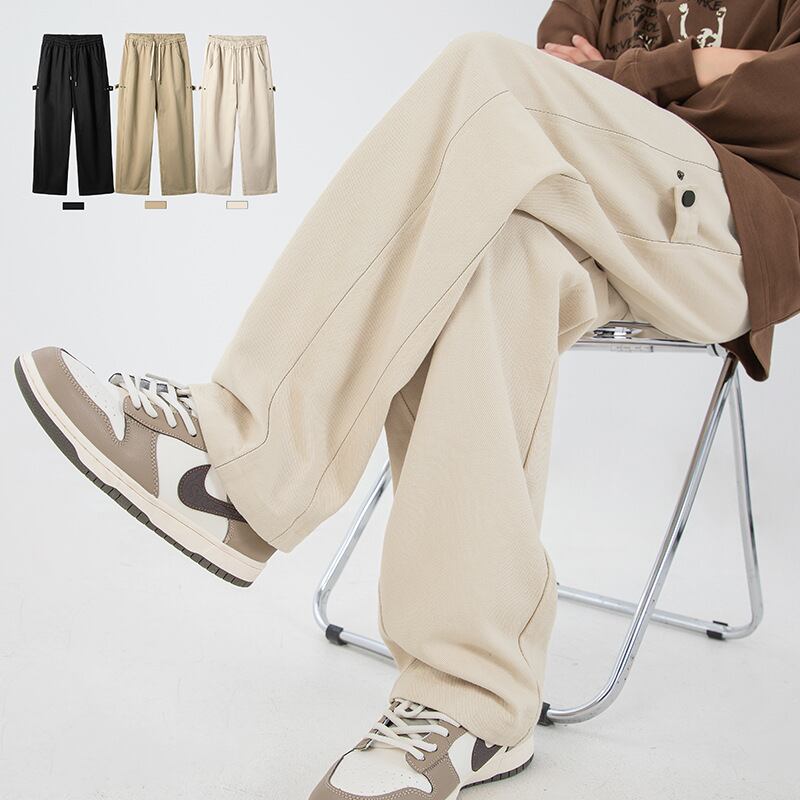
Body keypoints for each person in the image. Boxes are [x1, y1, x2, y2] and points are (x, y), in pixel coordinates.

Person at [15, 2, 800, 798]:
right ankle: (473, 700)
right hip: (602, 209)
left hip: (744, 228)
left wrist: (638, 77)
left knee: (484, 72)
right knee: (497, 248)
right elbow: (556, 61)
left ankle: (244, 462)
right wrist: (698, 76)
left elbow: (780, 101)